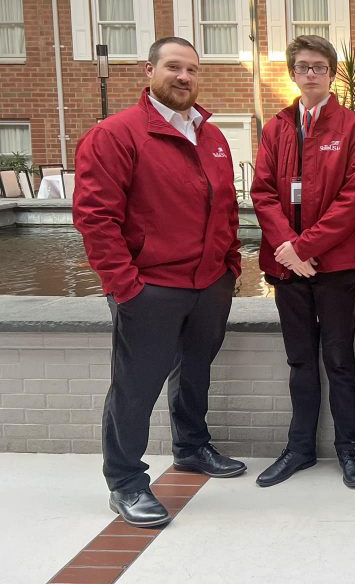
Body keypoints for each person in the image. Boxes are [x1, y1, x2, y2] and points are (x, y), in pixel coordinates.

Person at [73, 37, 245, 528]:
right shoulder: (115, 134)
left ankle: (191, 448)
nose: (184, 77)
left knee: (194, 371)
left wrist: (229, 265)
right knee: (136, 384)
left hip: (209, 283)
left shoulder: (211, 136)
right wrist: (125, 285)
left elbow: (225, 207)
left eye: (192, 69)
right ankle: (125, 480)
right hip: (150, 286)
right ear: (149, 71)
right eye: (174, 67)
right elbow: (95, 219)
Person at [250, 35, 355, 489]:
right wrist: (288, 245)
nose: (311, 74)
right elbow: (262, 192)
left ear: (332, 73)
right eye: (303, 66)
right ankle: (300, 449)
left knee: (340, 360)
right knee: (300, 361)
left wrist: (307, 247)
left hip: (336, 266)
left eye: (319, 66)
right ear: (293, 73)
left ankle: (349, 450)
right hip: (287, 268)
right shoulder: (278, 127)